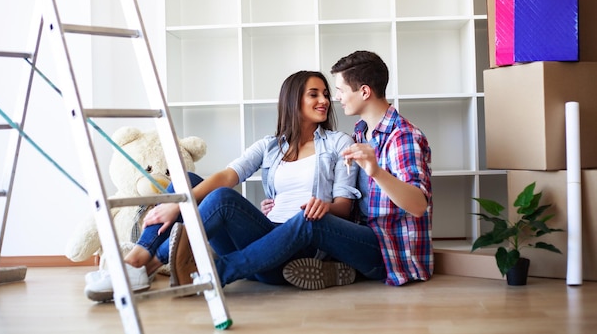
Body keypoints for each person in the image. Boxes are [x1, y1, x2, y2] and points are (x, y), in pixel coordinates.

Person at [84, 70, 360, 301]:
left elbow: (344, 208)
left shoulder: (338, 143)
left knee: (223, 200)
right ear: (293, 99)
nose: (324, 100)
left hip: (298, 243)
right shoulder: (270, 146)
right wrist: (179, 202)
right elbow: (228, 174)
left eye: (326, 94)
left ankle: (142, 266)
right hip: (264, 234)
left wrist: (322, 206)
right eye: (314, 94)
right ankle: (137, 260)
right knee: (188, 183)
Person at [169, 50, 433, 289]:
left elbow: (419, 205)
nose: (334, 98)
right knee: (185, 183)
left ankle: (208, 272)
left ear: (363, 92)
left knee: (238, 204)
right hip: (311, 234)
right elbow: (229, 175)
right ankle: (155, 256)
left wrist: (373, 172)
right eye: (324, 93)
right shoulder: (362, 133)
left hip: (387, 249)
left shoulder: (400, 137)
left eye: (337, 91)